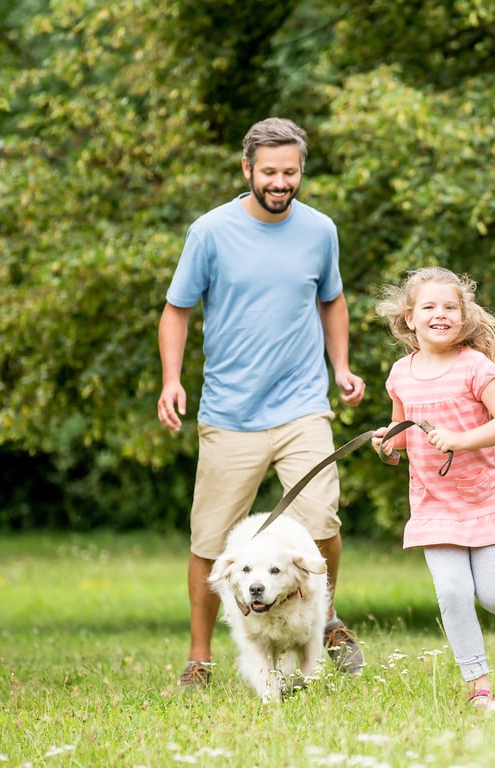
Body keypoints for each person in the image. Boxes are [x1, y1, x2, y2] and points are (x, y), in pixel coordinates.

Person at [157, 117, 367, 691]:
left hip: (302, 405)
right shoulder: (210, 231)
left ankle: (325, 619)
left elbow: (333, 298)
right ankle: (199, 661)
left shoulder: (320, 230)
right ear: (246, 168)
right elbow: (176, 310)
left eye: (291, 172)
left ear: (302, 171)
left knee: (323, 518)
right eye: (270, 172)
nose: (281, 182)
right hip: (229, 414)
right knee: (211, 539)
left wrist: (341, 367)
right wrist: (171, 380)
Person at [371, 266, 495, 706]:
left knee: (493, 593)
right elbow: (403, 432)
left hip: (483, 499)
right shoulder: (400, 374)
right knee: (451, 593)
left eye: (450, 307)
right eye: (429, 307)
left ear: (463, 317)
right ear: (410, 318)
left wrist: (462, 439)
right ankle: (477, 687)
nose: (440, 314)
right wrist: (388, 446)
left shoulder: (474, 365)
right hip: (434, 505)